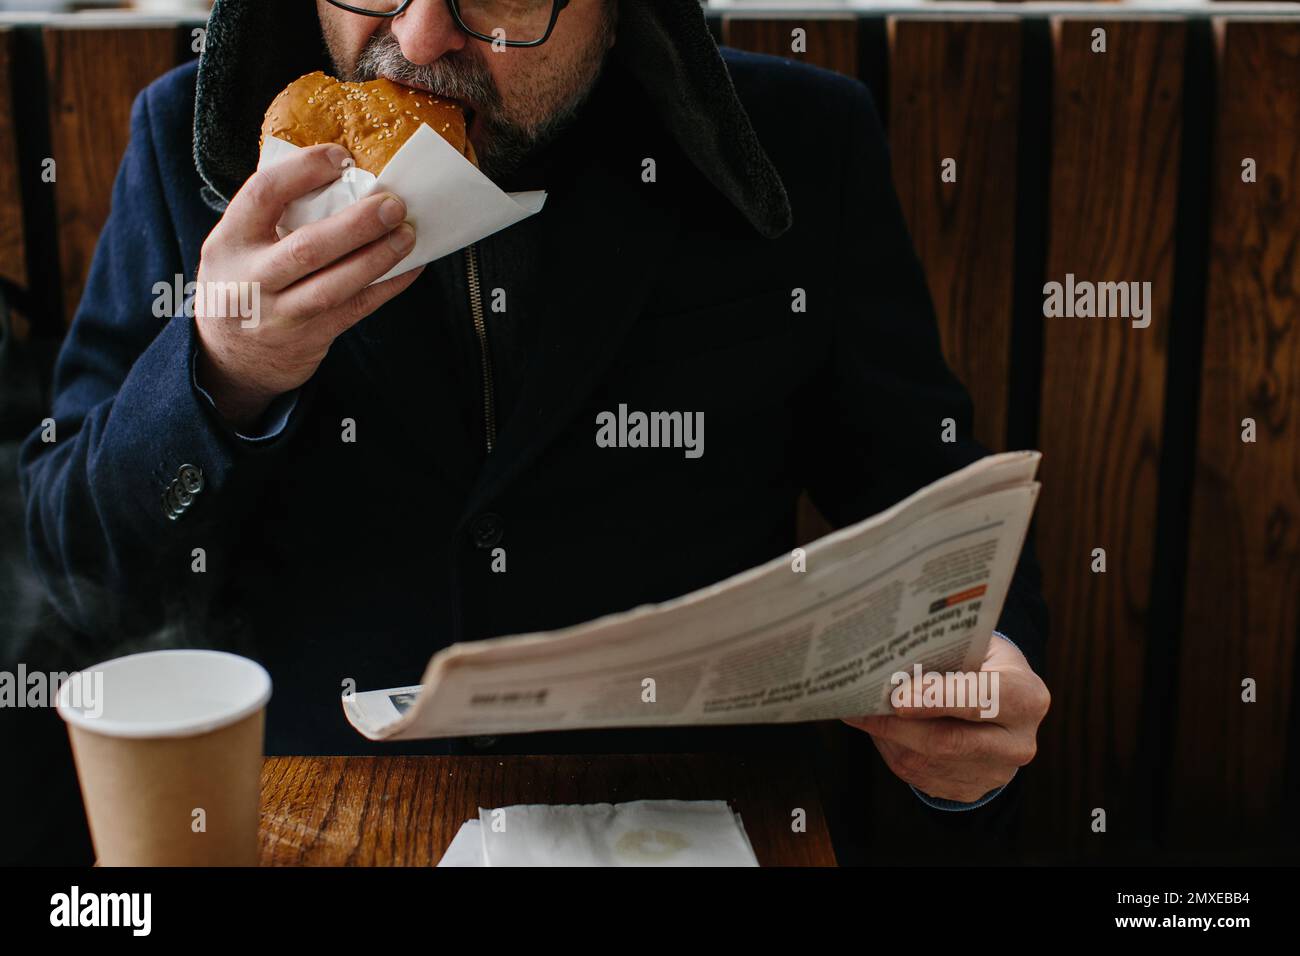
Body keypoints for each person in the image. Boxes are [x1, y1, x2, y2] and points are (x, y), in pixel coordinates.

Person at [19, 0, 1049, 819]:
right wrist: (221, 367)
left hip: (691, 815)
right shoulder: (190, 146)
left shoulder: (800, 146)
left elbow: (944, 511)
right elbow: (66, 563)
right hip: (323, 813)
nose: (418, 37)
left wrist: (978, 689)